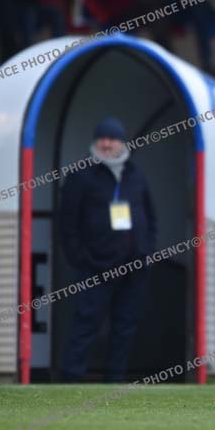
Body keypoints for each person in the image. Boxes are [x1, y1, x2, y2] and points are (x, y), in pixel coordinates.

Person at [59, 117, 157, 383]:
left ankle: (115, 380)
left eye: (112, 139)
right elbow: (67, 224)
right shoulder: (81, 176)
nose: (106, 143)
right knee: (85, 325)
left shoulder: (135, 175)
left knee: (125, 327)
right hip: (95, 268)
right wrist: (81, 259)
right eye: (101, 138)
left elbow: (150, 218)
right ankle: (70, 380)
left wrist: (146, 251)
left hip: (134, 268)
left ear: (122, 143)